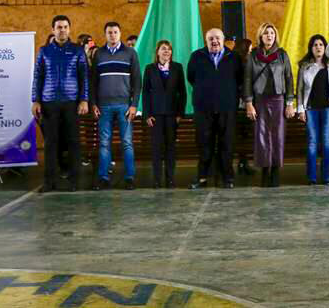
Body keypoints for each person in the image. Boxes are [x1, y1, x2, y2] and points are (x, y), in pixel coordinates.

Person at [32, 15, 89, 192]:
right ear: (53, 30)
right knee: (51, 144)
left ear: (69, 29)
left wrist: (84, 99)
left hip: (71, 103)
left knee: (73, 142)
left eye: (65, 27)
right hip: (49, 103)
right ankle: (49, 182)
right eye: (59, 27)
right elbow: (37, 77)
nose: (62, 30)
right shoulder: (44, 51)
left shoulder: (78, 51)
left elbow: (84, 77)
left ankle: (74, 181)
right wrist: (36, 100)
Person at [187, 28, 243, 189]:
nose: (214, 41)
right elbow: (191, 77)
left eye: (218, 38)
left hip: (227, 108)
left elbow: (239, 79)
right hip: (204, 109)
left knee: (227, 144)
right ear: (206, 40)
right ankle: (202, 178)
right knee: (204, 144)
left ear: (223, 39)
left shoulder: (233, 57)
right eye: (211, 38)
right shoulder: (197, 56)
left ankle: (227, 178)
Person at [90, 22, 141, 191]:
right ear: (105, 34)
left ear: (120, 33)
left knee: (127, 143)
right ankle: (103, 177)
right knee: (104, 143)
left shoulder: (130, 53)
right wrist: (94, 104)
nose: (112, 35)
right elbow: (93, 82)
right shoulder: (99, 54)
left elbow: (137, 82)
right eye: (109, 32)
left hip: (124, 106)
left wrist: (134, 105)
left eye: (115, 32)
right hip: (104, 106)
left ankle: (130, 177)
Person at [243, 23, 295, 188]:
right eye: (266, 33)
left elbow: (288, 78)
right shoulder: (253, 56)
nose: (269, 36)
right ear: (261, 36)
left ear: (275, 36)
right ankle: (265, 170)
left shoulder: (282, 55)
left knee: (277, 136)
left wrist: (289, 103)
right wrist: (249, 103)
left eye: (272, 33)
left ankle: (275, 171)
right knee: (262, 136)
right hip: (260, 101)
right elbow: (247, 80)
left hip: (278, 100)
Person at [296, 35, 329, 185]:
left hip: (328, 108)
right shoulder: (305, 66)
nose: (318, 47)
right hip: (310, 109)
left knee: (327, 142)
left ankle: (327, 177)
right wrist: (300, 109)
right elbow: (300, 89)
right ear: (311, 48)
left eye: (321, 44)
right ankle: (312, 177)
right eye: (315, 45)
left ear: (325, 47)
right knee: (312, 142)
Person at [143, 40, 186, 189]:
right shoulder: (149, 69)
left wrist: (180, 113)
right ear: (157, 52)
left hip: (172, 115)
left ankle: (170, 179)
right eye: (163, 49)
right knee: (156, 148)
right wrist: (147, 114)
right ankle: (156, 179)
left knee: (170, 148)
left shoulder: (178, 68)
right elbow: (146, 93)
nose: (166, 51)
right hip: (155, 116)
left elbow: (183, 92)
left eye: (169, 49)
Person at [232, 38, 254, 174]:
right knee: (242, 137)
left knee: (242, 137)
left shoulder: (235, 63)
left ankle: (242, 163)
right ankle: (242, 164)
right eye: (250, 50)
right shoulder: (243, 64)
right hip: (241, 104)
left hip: (239, 105)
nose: (251, 52)